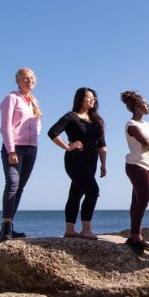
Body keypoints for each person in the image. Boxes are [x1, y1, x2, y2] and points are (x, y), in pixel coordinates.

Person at [48, 87, 107, 239]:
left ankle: (69, 229)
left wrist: (103, 164)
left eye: (94, 97)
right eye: (89, 97)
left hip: (92, 162)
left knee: (76, 193)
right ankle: (86, 229)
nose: (92, 99)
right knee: (93, 191)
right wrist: (67, 147)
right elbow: (52, 132)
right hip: (75, 160)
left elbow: (101, 144)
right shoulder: (71, 117)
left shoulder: (97, 121)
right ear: (80, 99)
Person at [0, 68, 43, 242]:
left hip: (31, 148)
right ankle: (6, 227)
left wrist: (37, 133)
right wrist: (11, 150)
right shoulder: (11, 98)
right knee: (12, 183)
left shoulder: (33, 100)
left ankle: (10, 226)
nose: (28, 80)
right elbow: (6, 126)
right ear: (17, 81)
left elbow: (36, 122)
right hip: (14, 147)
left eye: (31, 78)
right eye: (25, 78)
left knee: (20, 187)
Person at [120, 90, 149, 252]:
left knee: (136, 200)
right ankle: (136, 236)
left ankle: (134, 236)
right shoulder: (131, 125)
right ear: (137, 106)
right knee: (144, 197)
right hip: (135, 165)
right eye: (146, 103)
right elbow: (146, 142)